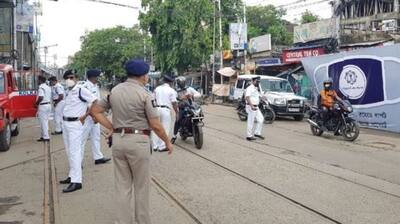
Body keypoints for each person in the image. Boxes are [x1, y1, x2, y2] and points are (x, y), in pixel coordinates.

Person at [90, 59, 173, 224]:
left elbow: (95, 111)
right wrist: (167, 141)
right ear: (142, 76)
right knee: (141, 187)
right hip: (139, 143)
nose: (148, 77)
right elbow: (156, 125)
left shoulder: (114, 91)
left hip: (118, 143)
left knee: (122, 186)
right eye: (147, 74)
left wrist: (112, 127)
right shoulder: (145, 94)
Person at [59, 69, 97, 193]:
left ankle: (77, 181)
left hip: (76, 124)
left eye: (72, 77)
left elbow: (95, 101)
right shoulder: (68, 91)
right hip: (66, 123)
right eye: (67, 78)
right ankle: (72, 175)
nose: (69, 80)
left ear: (76, 78)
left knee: (75, 152)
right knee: (69, 151)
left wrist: (86, 115)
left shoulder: (81, 89)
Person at [81, 69, 111, 165]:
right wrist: (94, 116)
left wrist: (99, 115)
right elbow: (86, 104)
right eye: (98, 76)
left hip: (95, 116)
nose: (99, 78)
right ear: (93, 77)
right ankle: (78, 162)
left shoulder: (95, 86)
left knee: (96, 137)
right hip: (88, 117)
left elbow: (97, 102)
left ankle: (98, 157)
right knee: (82, 139)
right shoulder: (85, 87)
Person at [151, 73, 178, 152]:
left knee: (156, 127)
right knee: (165, 128)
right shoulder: (171, 90)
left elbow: (153, 100)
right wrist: (176, 112)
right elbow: (174, 103)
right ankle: (162, 146)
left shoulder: (157, 88)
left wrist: (154, 108)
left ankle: (154, 146)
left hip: (157, 109)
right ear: (170, 83)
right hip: (166, 110)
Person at [171, 76, 201, 143]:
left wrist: (192, 95)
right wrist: (182, 98)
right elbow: (174, 100)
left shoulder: (189, 89)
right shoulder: (175, 91)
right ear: (178, 83)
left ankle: (194, 128)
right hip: (182, 107)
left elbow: (198, 94)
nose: (182, 84)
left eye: (183, 82)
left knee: (199, 113)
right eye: (181, 83)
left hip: (191, 106)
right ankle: (174, 136)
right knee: (178, 120)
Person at [245, 76, 264, 141]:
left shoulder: (257, 88)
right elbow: (247, 97)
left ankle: (257, 133)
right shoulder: (249, 88)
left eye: (258, 81)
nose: (258, 82)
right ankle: (249, 136)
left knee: (261, 119)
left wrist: (263, 98)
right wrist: (251, 106)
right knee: (251, 121)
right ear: (252, 81)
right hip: (251, 107)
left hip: (256, 106)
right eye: (256, 81)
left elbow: (258, 96)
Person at [35, 76, 52, 142]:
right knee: (45, 121)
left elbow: (41, 97)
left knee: (43, 122)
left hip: (43, 106)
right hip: (48, 105)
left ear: (40, 80)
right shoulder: (48, 87)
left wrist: (36, 103)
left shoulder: (41, 87)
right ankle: (43, 136)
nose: (37, 81)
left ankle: (46, 137)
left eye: (38, 80)